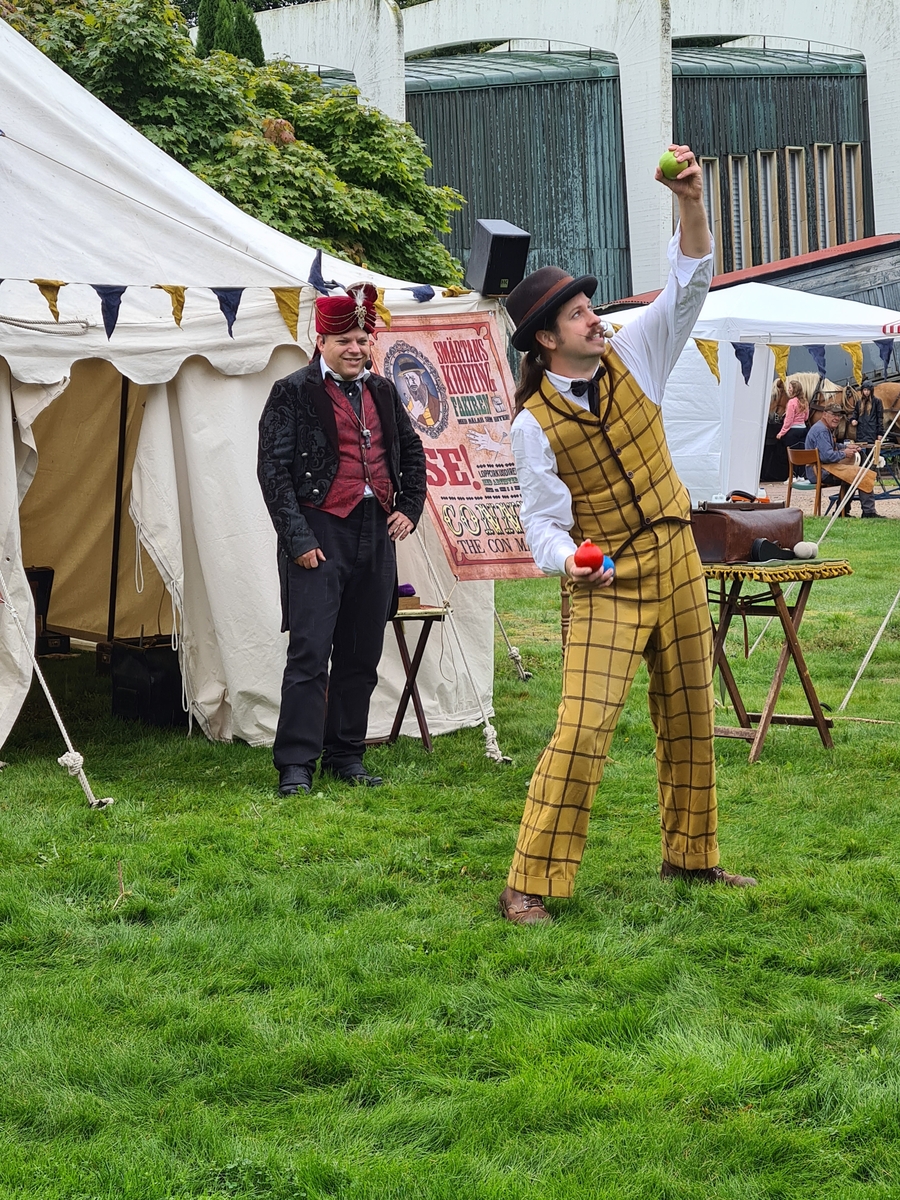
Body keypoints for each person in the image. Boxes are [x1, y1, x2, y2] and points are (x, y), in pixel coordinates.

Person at [499, 144, 756, 926]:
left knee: (691, 715)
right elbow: (542, 523)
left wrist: (690, 201)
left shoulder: (639, 352)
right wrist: (570, 564)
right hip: (607, 578)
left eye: (591, 307)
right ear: (547, 340)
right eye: (579, 313)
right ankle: (528, 883)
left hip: (677, 556)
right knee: (583, 728)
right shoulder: (533, 426)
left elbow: (691, 279)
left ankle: (692, 857)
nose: (596, 318)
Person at [257, 284, 427, 795]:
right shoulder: (292, 391)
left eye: (362, 339)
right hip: (320, 529)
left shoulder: (383, 391)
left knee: (361, 651)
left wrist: (409, 508)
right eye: (344, 341)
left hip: (375, 530)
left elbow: (412, 452)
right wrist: (298, 538)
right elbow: (272, 471)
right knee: (310, 652)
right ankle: (296, 764)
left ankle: (346, 755)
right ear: (321, 341)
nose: (355, 349)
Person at [804, 404, 882, 517]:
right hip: (819, 473)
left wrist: (847, 447)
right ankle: (868, 512)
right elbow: (827, 456)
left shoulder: (823, 428)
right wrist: (844, 453)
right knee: (860, 474)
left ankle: (842, 511)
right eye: (834, 415)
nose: (837, 418)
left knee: (852, 473)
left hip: (819, 470)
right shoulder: (821, 431)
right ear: (824, 414)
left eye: (839, 416)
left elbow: (832, 446)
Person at [776, 378, 810, 478]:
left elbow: (789, 420)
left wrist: (781, 433)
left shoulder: (791, 402)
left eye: (790, 388)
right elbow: (806, 417)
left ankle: (793, 476)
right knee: (802, 454)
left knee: (792, 455)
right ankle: (802, 476)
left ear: (795, 390)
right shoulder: (805, 402)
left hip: (793, 431)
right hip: (803, 430)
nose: (789, 390)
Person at [849, 380, 885, 446]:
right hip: (861, 433)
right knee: (861, 451)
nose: (866, 392)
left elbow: (880, 418)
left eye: (868, 390)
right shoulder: (859, 402)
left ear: (871, 391)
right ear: (862, 390)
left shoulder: (877, 401)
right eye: (865, 390)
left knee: (871, 451)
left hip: (872, 433)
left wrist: (880, 433)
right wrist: (853, 420)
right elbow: (855, 413)